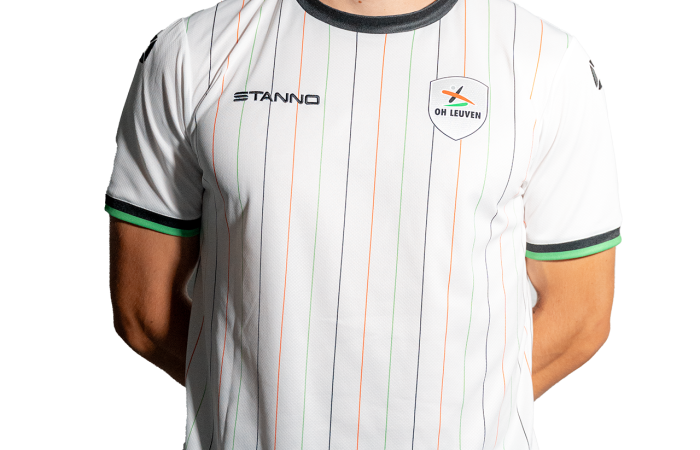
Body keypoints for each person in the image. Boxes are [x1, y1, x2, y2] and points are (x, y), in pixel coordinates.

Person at [105, 0, 621, 448]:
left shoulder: (547, 62)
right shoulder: (190, 52)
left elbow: (581, 315)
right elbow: (143, 313)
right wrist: (260, 409)